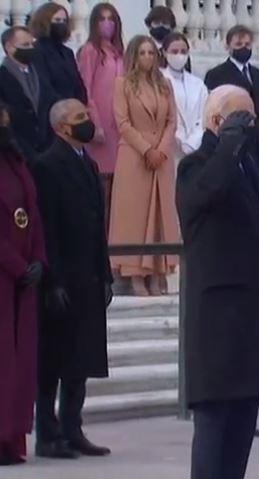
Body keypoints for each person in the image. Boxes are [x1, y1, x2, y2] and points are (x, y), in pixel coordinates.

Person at [176, 85, 259, 479]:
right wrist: (227, 144)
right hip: (217, 320)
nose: (250, 127)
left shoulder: (248, 168)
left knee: (241, 427)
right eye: (242, 119)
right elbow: (206, 195)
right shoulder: (195, 167)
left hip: (252, 317)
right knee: (214, 425)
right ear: (218, 121)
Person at [31, 99, 112, 459]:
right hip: (62, 279)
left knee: (80, 360)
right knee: (54, 361)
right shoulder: (47, 166)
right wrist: (53, 280)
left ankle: (72, 427)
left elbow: (97, 227)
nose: (87, 121)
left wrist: (106, 274)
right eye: (80, 118)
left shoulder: (89, 164)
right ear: (62, 127)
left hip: (89, 276)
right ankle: (47, 435)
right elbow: (46, 227)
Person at [108, 35, 179, 296]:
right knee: (134, 216)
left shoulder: (165, 85)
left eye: (151, 53)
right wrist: (146, 149)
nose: (148, 58)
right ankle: (135, 273)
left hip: (161, 157)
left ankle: (159, 271)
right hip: (135, 156)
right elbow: (122, 122)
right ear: (134, 56)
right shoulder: (122, 84)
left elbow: (172, 120)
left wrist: (160, 149)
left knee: (162, 214)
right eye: (143, 53)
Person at [0, 100, 45, 466]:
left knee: (18, 364)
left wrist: (38, 261)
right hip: (5, 273)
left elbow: (32, 214)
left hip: (22, 278)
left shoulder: (16, 162)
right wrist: (17, 265)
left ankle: (10, 436)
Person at [205, 25, 259, 174]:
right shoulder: (216, 75)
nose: (244, 48)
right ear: (228, 46)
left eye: (247, 44)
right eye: (239, 44)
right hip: (233, 148)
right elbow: (211, 114)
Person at [78, 2, 125, 229]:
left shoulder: (120, 53)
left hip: (120, 127)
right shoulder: (90, 51)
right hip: (101, 127)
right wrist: (94, 124)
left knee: (119, 188)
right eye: (102, 19)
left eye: (111, 19)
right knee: (101, 185)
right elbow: (85, 88)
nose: (107, 24)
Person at [0, 26, 54, 161]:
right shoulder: (2, 76)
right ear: (9, 47)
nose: (31, 48)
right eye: (25, 45)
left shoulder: (39, 73)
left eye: (31, 44)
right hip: (19, 147)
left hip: (45, 145)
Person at [161, 32, 208, 167]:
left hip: (195, 148)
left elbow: (205, 115)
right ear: (164, 53)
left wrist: (192, 141)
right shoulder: (159, 80)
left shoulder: (198, 84)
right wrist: (178, 138)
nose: (179, 55)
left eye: (183, 51)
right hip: (169, 146)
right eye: (174, 51)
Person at [29, 2, 88, 104]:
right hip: (52, 111)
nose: (61, 24)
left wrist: (80, 102)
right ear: (44, 22)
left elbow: (78, 82)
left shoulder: (67, 52)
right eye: (57, 20)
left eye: (64, 21)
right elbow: (44, 86)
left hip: (74, 110)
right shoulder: (36, 50)